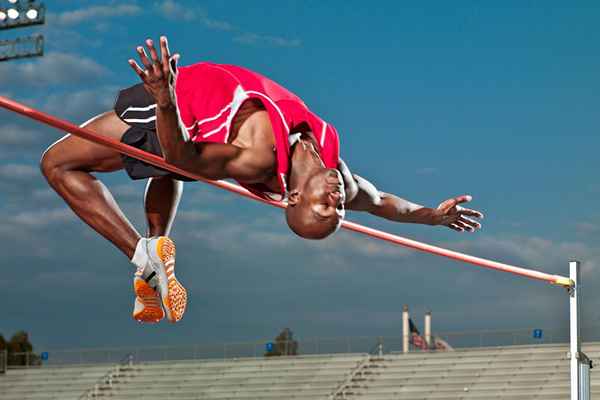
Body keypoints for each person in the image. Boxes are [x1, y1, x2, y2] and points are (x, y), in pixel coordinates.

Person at [39, 37, 483, 324]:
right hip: (195, 113)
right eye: (337, 210)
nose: (335, 202)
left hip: (181, 109)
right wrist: (433, 217)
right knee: (165, 167)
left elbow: (181, 158)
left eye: (323, 207)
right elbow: (386, 203)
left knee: (57, 164)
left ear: (291, 197)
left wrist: (164, 99)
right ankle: (155, 246)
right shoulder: (341, 178)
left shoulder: (255, 159)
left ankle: (142, 256)